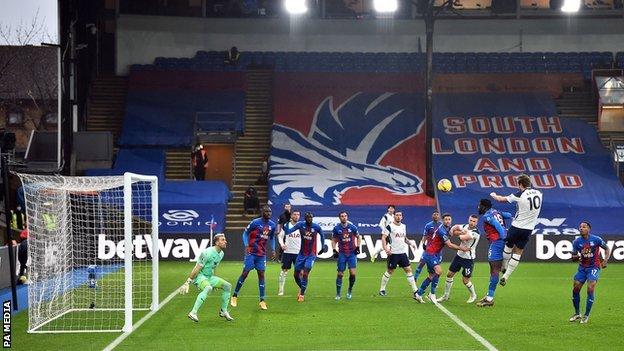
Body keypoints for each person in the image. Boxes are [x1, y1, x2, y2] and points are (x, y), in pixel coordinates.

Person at [489, 174, 543, 286]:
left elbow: (501, 199)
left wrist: (493, 195)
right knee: (518, 253)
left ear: (520, 184)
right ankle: (506, 276)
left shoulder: (520, 194)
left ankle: (504, 266)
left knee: (508, 247)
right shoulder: (539, 193)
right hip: (528, 229)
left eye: (518, 184)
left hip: (516, 226)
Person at [413, 213, 468, 303]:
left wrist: (463, 232)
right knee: (439, 271)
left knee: (431, 275)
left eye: (449, 219)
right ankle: (432, 294)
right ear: (443, 220)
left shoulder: (447, 228)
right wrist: (462, 248)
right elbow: (449, 245)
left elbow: (454, 232)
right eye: (446, 219)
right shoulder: (441, 230)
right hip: (430, 253)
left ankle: (419, 294)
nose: (447, 221)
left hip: (435, 253)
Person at [180, 233, 234, 322]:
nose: (225, 241)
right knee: (208, 287)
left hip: (209, 277)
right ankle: (193, 312)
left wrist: (215, 281)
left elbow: (214, 267)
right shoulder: (206, 253)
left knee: (227, 286)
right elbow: (197, 268)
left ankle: (223, 311)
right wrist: (188, 281)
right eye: (223, 240)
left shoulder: (221, 254)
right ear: (217, 242)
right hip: (199, 276)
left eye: (225, 239)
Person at [231, 205, 276, 310]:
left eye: (270, 212)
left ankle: (262, 300)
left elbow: (272, 237)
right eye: (266, 212)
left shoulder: (272, 225)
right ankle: (234, 296)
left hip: (262, 254)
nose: (269, 213)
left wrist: (273, 249)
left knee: (261, 275)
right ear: (262, 212)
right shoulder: (255, 222)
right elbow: (245, 233)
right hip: (251, 252)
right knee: (245, 273)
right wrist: (246, 245)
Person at [569, 221, 610, 324]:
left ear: (589, 229)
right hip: (582, 268)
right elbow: (573, 257)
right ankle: (577, 313)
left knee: (590, 288)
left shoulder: (596, 239)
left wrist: (605, 260)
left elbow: (607, 248)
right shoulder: (577, 242)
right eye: (580, 227)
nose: (581, 228)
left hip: (594, 267)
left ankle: (586, 315)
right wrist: (575, 257)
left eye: (584, 227)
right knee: (575, 289)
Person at [476, 199, 512, 307]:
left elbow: (497, 225)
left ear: (484, 206)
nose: (478, 207)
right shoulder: (496, 212)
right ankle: (489, 295)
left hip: (497, 242)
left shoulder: (487, 216)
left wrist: (504, 237)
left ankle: (490, 298)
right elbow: (509, 215)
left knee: (494, 268)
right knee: (493, 269)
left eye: (479, 205)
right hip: (499, 241)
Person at [284, 212, 327, 302]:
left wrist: (323, 246)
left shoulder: (316, 227)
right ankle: (303, 287)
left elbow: (322, 235)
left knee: (305, 273)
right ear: (305, 218)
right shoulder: (300, 225)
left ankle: (302, 295)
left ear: (312, 218)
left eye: (310, 217)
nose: (309, 219)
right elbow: (288, 232)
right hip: (301, 254)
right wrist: (284, 226)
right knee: (296, 275)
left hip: (311, 255)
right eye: (307, 217)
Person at [437, 215, 480, 304]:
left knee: (465, 280)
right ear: (468, 219)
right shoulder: (465, 226)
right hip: (459, 255)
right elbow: (454, 227)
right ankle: (446, 295)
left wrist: (458, 232)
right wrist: (455, 230)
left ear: (476, 222)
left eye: (474, 221)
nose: (472, 222)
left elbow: (461, 237)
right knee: (449, 275)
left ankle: (473, 295)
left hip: (468, 258)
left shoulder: (476, 232)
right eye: (471, 220)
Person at [378, 210, 418, 298]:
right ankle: (382, 289)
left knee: (408, 270)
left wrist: (410, 243)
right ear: (394, 216)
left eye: (400, 215)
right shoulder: (389, 226)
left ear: (402, 217)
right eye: (397, 215)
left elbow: (404, 237)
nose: (398, 216)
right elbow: (384, 238)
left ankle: (415, 291)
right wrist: (385, 249)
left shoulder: (404, 226)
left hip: (403, 253)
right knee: (390, 271)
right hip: (393, 253)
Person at [332, 211, 361, 300]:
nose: (344, 217)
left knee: (352, 274)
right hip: (342, 254)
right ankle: (338, 293)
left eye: (345, 216)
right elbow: (333, 240)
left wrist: (358, 247)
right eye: (342, 216)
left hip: (352, 253)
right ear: (339, 218)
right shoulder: (336, 228)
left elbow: (359, 237)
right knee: (340, 274)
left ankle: (349, 290)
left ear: (347, 217)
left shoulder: (352, 227)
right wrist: (334, 249)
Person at [277, 208, 300, 296]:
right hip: (288, 252)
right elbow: (280, 236)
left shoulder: (301, 226)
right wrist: (282, 244)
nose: (296, 216)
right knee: (284, 271)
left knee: (300, 272)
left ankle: (300, 290)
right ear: (291, 216)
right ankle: (281, 289)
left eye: (298, 214)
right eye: (295, 214)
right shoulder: (286, 225)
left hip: (298, 253)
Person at [414, 210, 441, 282]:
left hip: (437, 251)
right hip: (428, 248)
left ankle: (434, 281)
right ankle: (415, 278)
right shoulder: (428, 225)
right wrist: (423, 243)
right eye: (434, 214)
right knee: (421, 263)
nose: (436, 216)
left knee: (435, 267)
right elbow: (425, 236)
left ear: (439, 216)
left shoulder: (441, 225)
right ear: (432, 216)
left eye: (437, 214)